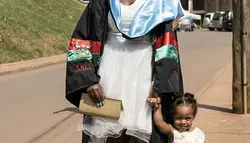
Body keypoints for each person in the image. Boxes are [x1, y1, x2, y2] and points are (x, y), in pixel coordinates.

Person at [65, 0, 185, 143]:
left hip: (144, 73)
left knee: (141, 133)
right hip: (109, 72)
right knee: (108, 131)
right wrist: (88, 79)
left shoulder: (160, 3)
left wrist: (159, 84)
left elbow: (167, 45)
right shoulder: (102, 2)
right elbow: (82, 40)